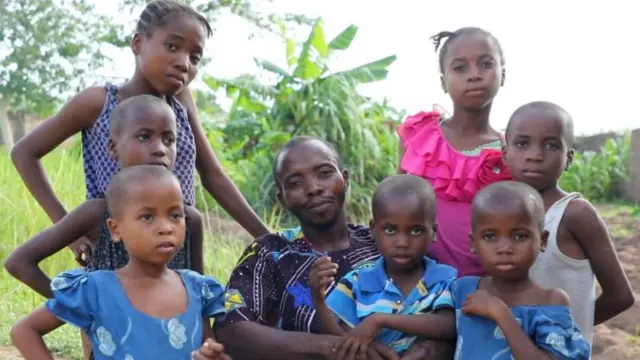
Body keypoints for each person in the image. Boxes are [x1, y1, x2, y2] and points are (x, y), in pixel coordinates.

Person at [10, 0, 268, 267]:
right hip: (118, 252)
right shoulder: (99, 103)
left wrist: (268, 239)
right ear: (137, 44)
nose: (183, 63)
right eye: (172, 46)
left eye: (194, 57)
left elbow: (213, 176)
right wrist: (69, 232)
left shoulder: (180, 102)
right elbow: (24, 153)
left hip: (175, 246)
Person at [214, 136, 454, 360]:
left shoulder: (387, 239)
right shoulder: (269, 253)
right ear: (283, 198)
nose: (313, 188)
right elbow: (231, 329)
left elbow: (440, 312)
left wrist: (430, 350)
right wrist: (338, 348)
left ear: (345, 179)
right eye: (295, 183)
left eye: (325, 173)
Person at [4, 96, 205, 359]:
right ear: (112, 147)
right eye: (144, 137)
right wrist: (86, 310)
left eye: (169, 139)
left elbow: (198, 301)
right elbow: (19, 262)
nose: (159, 149)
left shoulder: (189, 219)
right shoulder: (98, 211)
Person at [9, 165, 231, 360]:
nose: (166, 227)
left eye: (175, 215)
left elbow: (207, 347)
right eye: (147, 217)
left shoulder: (197, 290)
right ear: (115, 229)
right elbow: (24, 331)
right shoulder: (95, 290)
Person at [502, 101, 634, 351]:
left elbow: (621, 296)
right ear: (504, 152)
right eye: (522, 143)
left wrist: (566, 330)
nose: (535, 155)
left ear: (569, 157)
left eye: (551, 145)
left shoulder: (574, 214)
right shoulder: (500, 210)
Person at [397, 27, 511, 277]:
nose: (474, 75)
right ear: (443, 81)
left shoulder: (509, 153)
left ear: (503, 74)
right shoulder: (419, 137)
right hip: (423, 286)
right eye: (460, 68)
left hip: (487, 289)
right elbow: (396, 206)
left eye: (486, 64)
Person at [309, 174, 457, 358]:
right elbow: (335, 330)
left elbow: (448, 326)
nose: (402, 242)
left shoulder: (444, 279)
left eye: (415, 230)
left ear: (433, 232)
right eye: (390, 230)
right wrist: (318, 299)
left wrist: (381, 320)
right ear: (372, 229)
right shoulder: (357, 281)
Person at [452, 181, 591, 359]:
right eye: (490, 236)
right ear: (473, 243)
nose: (505, 248)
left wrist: (500, 313)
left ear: (542, 240)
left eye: (520, 236)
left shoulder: (550, 302)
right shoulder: (462, 290)